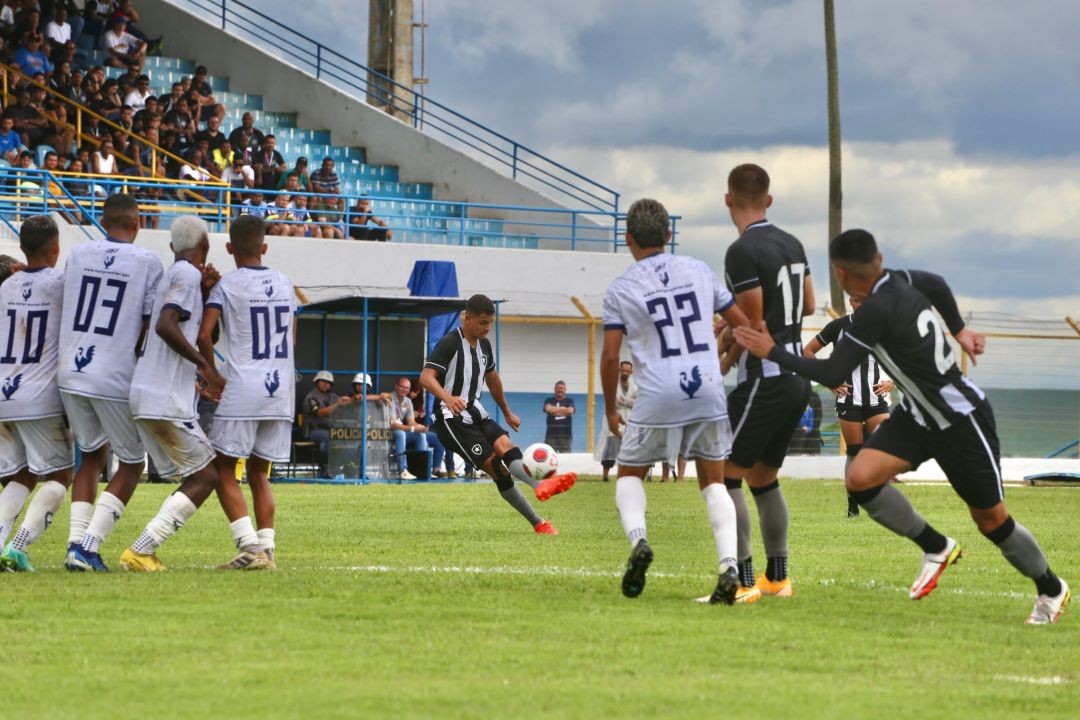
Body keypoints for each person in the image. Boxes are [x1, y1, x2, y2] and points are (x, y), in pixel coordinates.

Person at [733, 229, 1070, 624]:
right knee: (859, 478)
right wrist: (959, 329)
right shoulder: (900, 279)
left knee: (992, 520)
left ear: (840, 274)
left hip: (960, 420)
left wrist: (771, 351)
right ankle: (936, 546)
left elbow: (833, 370)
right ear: (878, 258)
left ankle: (1051, 588)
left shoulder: (875, 310)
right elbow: (938, 283)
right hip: (918, 416)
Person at [601, 198, 751, 604]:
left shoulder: (621, 289)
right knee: (713, 482)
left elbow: (613, 354)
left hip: (657, 390)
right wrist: (721, 351)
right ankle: (729, 568)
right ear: (669, 235)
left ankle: (639, 542)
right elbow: (742, 325)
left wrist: (613, 408)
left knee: (629, 473)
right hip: (705, 387)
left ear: (628, 238)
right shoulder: (699, 271)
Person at [717, 163, 814, 604]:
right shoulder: (792, 243)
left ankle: (742, 581)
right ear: (769, 200)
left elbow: (752, 322)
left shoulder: (741, 251)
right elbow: (808, 303)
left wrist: (727, 349)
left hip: (766, 379)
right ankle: (778, 578)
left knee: (724, 475)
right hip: (796, 376)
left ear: (728, 199)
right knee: (764, 477)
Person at [59, 193, 164, 572]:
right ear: (137, 223)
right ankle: (87, 546)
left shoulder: (78, 255)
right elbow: (152, 323)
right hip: (113, 372)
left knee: (90, 456)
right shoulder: (148, 262)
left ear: (104, 222)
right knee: (133, 463)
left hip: (70, 369)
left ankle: (74, 541)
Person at [420, 294, 576, 534]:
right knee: (497, 467)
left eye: (490, 323)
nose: (487, 328)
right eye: (483, 322)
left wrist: (506, 411)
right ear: (468, 318)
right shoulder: (450, 342)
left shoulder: (485, 346)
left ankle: (542, 485)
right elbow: (426, 377)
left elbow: (492, 379)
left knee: (507, 447)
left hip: (476, 410)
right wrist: (448, 398)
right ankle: (538, 522)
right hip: (450, 418)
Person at [120, 216, 226, 571]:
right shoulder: (186, 274)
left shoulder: (172, 277)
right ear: (206, 245)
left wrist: (207, 295)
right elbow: (167, 326)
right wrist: (206, 367)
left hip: (150, 391)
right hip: (164, 398)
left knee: (199, 473)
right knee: (207, 476)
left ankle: (137, 548)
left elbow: (155, 335)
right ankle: (141, 549)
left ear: (171, 247)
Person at [197, 215, 295, 570]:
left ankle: (248, 545)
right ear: (265, 247)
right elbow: (293, 337)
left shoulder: (227, 286)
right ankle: (267, 550)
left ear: (228, 248)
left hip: (243, 386)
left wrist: (210, 375)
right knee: (259, 472)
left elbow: (204, 335)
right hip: (280, 387)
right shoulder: (285, 283)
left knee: (223, 468)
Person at [0, 216, 73, 572]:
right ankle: (17, 547)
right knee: (60, 475)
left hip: (4, 393)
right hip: (39, 395)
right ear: (56, 247)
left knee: (22, 475)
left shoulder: (6, 288)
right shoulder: (61, 283)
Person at [804, 295, 893, 516]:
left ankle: (884, 501)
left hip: (876, 399)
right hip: (849, 399)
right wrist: (828, 380)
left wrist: (892, 382)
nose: (860, 304)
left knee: (887, 446)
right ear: (850, 303)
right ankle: (853, 506)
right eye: (856, 300)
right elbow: (808, 351)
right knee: (854, 452)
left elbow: (905, 357)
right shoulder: (839, 326)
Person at [389, 376, 439, 480]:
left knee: (420, 434)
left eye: (407, 388)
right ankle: (402, 470)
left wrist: (420, 427)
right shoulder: (390, 398)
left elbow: (411, 422)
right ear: (396, 386)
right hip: (388, 431)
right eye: (402, 387)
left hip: (401, 429)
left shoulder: (407, 401)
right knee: (400, 433)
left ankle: (422, 470)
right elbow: (393, 424)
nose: (405, 390)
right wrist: (412, 429)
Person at [303, 370, 353, 471]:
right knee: (329, 437)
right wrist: (337, 404)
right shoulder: (311, 396)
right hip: (314, 430)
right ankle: (325, 468)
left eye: (328, 382)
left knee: (346, 435)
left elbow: (348, 402)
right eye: (322, 381)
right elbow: (320, 413)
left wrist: (351, 400)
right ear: (316, 382)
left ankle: (347, 468)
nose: (325, 384)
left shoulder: (332, 396)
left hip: (330, 429)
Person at [596, 361, 636, 482]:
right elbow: (612, 402)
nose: (625, 372)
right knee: (610, 448)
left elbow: (637, 403)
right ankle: (606, 475)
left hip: (629, 422)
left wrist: (623, 400)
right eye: (623, 370)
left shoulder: (634, 387)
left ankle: (626, 475)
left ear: (631, 372)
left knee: (628, 450)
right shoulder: (612, 384)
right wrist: (629, 401)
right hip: (613, 422)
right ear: (619, 370)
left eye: (627, 371)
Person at [542, 380, 575, 453]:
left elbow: (570, 411)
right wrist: (563, 409)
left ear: (565, 390)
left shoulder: (569, 400)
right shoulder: (549, 400)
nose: (559, 390)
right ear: (555, 389)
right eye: (558, 388)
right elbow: (548, 409)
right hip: (551, 436)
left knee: (566, 458)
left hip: (566, 436)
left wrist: (554, 410)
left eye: (561, 388)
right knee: (549, 456)